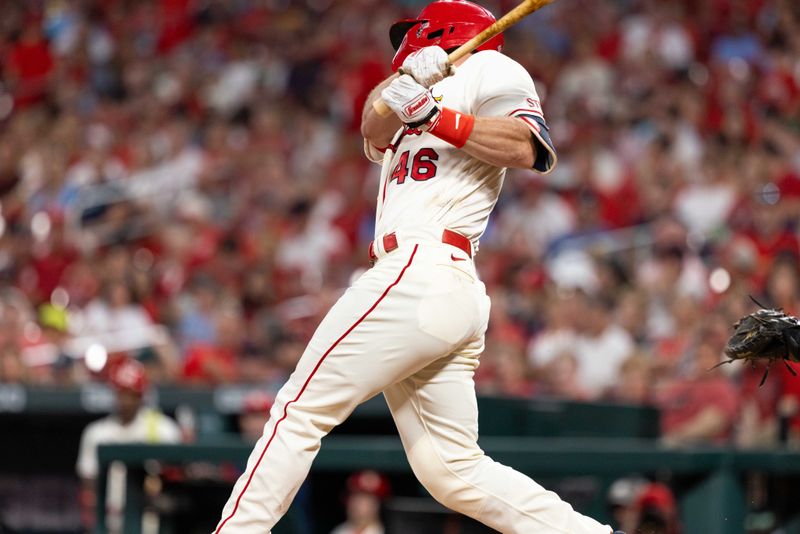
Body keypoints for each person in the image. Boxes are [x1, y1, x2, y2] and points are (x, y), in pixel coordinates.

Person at [214, 2, 615, 532]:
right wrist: (403, 83)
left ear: (439, 31)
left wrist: (433, 112)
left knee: (299, 408)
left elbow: (528, 147)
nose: (405, 43)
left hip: (423, 268)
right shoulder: (414, 86)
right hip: (432, 285)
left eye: (415, 36)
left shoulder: (490, 68)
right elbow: (372, 128)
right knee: (451, 471)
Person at [76, 358, 181, 532]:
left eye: (131, 395)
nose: (125, 401)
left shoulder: (162, 429)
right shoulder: (96, 432)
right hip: (111, 517)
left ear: (141, 396)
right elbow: (88, 482)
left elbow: (176, 478)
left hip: (151, 517)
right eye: (121, 393)